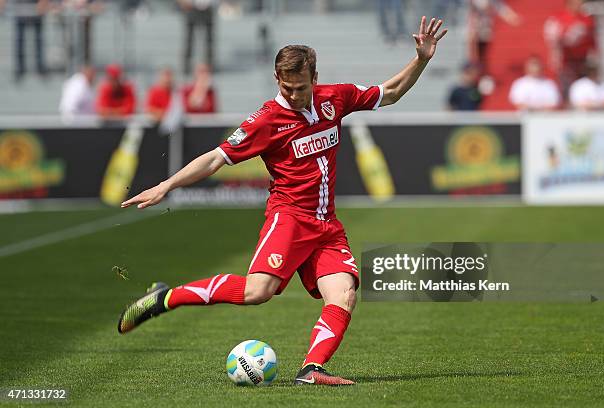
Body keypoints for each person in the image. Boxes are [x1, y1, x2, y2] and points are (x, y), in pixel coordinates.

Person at [118, 16, 448, 386]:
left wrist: (421, 59)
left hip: (326, 225)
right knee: (258, 292)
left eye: (301, 87)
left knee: (343, 293)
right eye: (287, 87)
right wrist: (166, 185)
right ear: (278, 80)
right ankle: (167, 298)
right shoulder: (266, 120)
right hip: (289, 218)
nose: (293, 94)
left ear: (315, 78)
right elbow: (215, 158)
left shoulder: (333, 99)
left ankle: (312, 369)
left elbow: (390, 92)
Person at [544, 0, 597, 97]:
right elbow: (553, 38)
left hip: (582, 60)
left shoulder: (586, 19)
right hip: (565, 60)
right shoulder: (557, 18)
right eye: (577, 3)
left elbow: (591, 39)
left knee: (583, 89)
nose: (580, 6)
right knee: (566, 88)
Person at [177, 0, 218, 74]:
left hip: (208, 7)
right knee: (189, 40)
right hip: (192, 7)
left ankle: (210, 66)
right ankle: (186, 66)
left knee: (209, 41)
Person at [13, 0, 50, 80]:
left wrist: (43, 2)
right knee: (20, 41)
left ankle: (40, 68)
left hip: (36, 10)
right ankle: (20, 69)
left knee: (38, 41)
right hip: (21, 10)